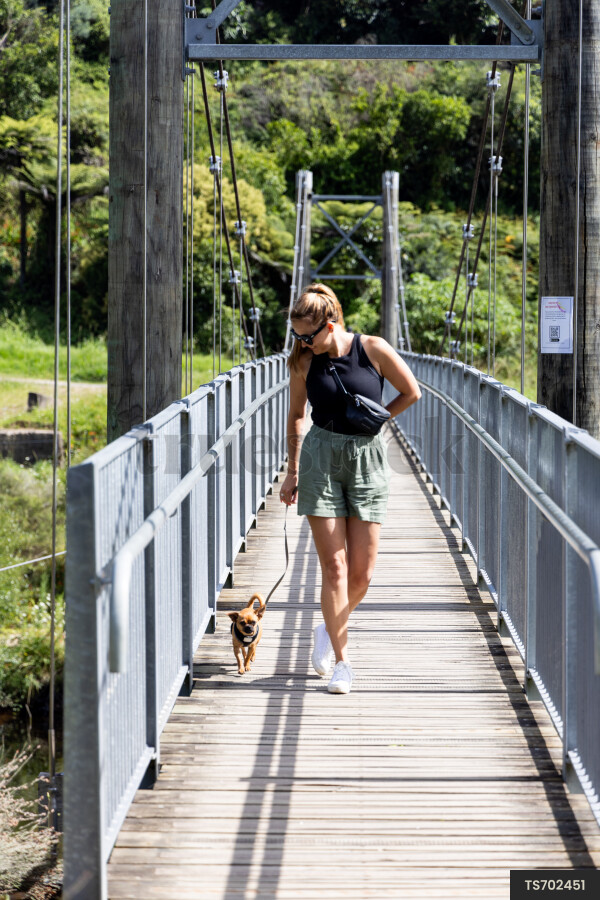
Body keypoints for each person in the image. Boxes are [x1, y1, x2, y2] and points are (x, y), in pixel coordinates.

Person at [279, 283, 422, 694]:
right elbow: (295, 416)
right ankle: (343, 663)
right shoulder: (304, 362)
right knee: (335, 568)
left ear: (330, 323)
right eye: (298, 337)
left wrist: (377, 419)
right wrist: (292, 473)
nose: (303, 343)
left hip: (368, 461)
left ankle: (327, 628)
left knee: (362, 574)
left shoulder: (372, 348)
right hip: (320, 459)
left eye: (308, 335)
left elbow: (411, 392)